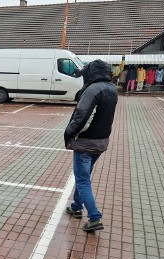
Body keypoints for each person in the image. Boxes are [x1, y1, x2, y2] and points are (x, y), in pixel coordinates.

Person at [63, 59, 118, 232]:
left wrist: (69, 132)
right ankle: (76, 206)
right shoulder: (111, 89)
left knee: (82, 179)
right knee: (83, 177)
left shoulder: (93, 90)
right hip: (101, 142)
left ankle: (94, 217)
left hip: (85, 143)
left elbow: (82, 116)